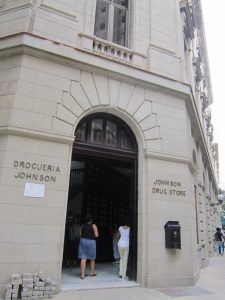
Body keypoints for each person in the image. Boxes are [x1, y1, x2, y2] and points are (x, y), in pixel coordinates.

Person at [78, 213, 99, 279]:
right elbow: (96, 235)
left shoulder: (82, 226)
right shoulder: (94, 226)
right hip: (91, 242)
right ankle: (92, 272)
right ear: (91, 219)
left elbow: (80, 235)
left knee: (83, 257)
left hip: (83, 241)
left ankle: (82, 275)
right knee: (92, 258)